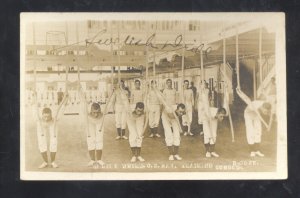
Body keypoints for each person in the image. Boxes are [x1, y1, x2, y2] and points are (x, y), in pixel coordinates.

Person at [33, 90, 68, 169]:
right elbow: (34, 106)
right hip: (41, 125)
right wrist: (34, 96)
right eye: (44, 116)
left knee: (54, 140)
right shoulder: (38, 118)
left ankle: (52, 162)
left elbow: (62, 108)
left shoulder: (55, 117)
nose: (46, 118)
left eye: (48, 116)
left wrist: (66, 98)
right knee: (41, 142)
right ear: (42, 115)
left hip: (53, 124)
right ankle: (45, 162)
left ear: (51, 115)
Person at [236, 87, 271, 157]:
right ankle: (252, 151)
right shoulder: (254, 106)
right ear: (262, 108)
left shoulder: (265, 103)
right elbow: (245, 98)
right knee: (250, 131)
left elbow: (266, 95)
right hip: (248, 114)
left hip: (255, 115)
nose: (265, 113)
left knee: (258, 131)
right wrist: (239, 91)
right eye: (265, 111)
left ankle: (257, 150)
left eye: (266, 112)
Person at [79, 88, 105, 168]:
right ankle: (92, 160)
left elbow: (109, 104)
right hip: (90, 125)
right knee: (90, 140)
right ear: (91, 110)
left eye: (97, 112)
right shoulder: (87, 114)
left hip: (99, 125)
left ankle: (99, 159)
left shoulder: (102, 114)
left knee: (99, 140)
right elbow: (83, 104)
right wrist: (81, 93)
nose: (96, 115)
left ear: (100, 111)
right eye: (94, 112)